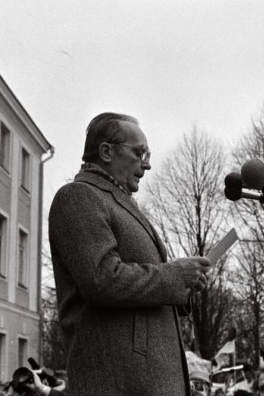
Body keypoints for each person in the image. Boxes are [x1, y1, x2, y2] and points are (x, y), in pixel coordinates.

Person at [48, 112, 212, 395]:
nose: (147, 164)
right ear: (107, 151)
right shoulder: (78, 196)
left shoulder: (121, 204)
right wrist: (174, 275)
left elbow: (142, 293)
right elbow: (102, 279)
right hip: (121, 383)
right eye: (139, 153)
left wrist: (184, 287)